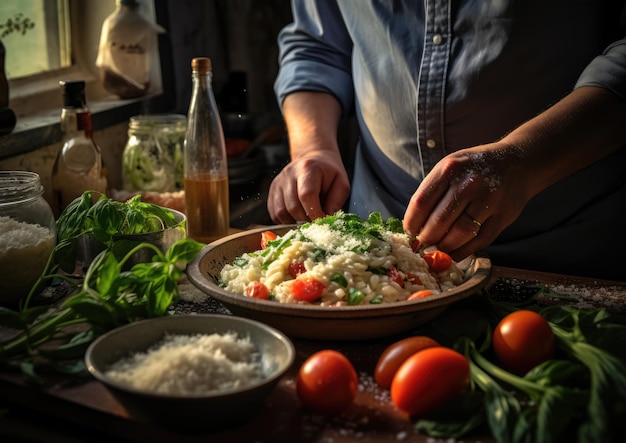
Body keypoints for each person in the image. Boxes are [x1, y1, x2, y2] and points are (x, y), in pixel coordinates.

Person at [268, 0, 626, 281]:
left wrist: (524, 160)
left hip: (568, 251)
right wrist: (312, 147)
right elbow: (317, 47)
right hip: (372, 253)